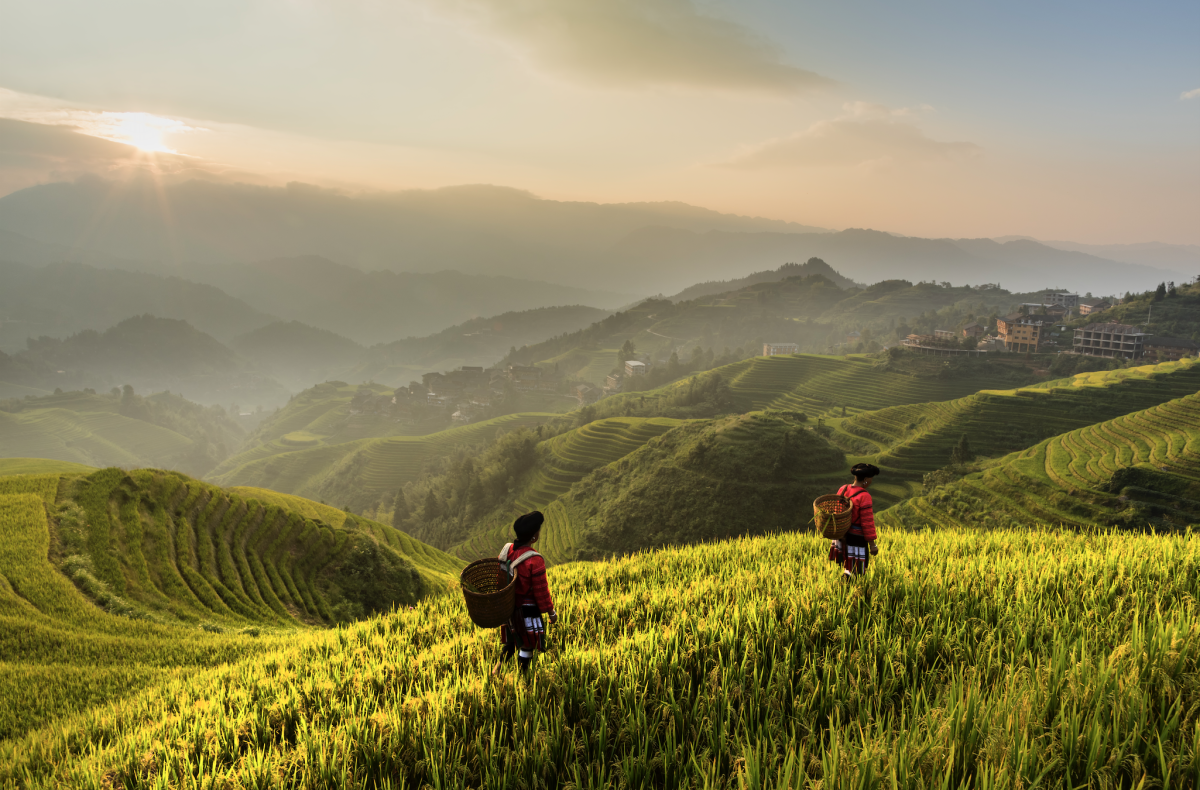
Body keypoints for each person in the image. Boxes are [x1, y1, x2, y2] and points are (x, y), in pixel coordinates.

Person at [492, 511, 558, 676]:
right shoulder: (535, 560)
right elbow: (541, 591)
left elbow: (499, 576)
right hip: (527, 611)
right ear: (534, 536)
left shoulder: (507, 549)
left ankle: (496, 672)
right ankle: (523, 676)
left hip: (509, 607)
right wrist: (551, 612)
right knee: (526, 645)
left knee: (512, 642)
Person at [828, 463, 880, 580]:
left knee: (848, 564)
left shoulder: (843, 488)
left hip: (842, 534)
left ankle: (844, 587)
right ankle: (846, 589)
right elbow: (867, 522)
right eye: (871, 479)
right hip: (856, 538)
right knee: (856, 568)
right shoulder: (864, 496)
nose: (871, 482)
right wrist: (872, 545)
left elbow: (837, 510)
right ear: (866, 479)